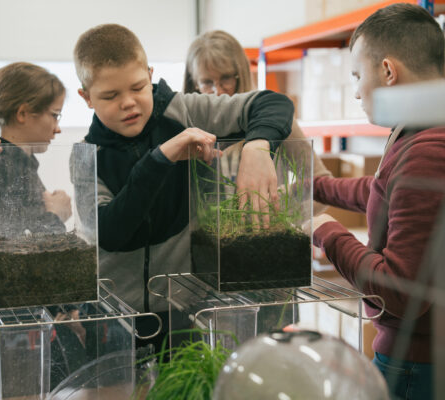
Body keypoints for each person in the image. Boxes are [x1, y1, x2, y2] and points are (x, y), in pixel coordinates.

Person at [73, 23, 294, 348]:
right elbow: (110, 233)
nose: (128, 103)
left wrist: (258, 147)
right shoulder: (85, 155)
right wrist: (160, 158)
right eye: (110, 95)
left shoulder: (185, 110)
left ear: (150, 74)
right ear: (86, 97)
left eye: (137, 87)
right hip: (112, 314)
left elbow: (273, 104)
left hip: (184, 308)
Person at [307, 4, 445, 399]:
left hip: (417, 366)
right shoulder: (423, 133)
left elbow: (399, 292)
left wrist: (326, 232)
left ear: (387, 71)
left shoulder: (428, 149)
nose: (354, 90)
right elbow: (384, 192)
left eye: (357, 75)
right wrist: (315, 186)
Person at [183, 30, 333, 334]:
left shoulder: (274, 121)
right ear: (193, 84)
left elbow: (320, 184)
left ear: (242, 75)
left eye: (227, 79)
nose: (217, 92)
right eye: (206, 82)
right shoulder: (185, 129)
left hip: (269, 275)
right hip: (206, 280)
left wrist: (277, 201)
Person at [0, 62, 70, 287]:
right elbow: (16, 254)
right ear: (23, 113)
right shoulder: (2, 166)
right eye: (55, 115)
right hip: (5, 300)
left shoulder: (5, 162)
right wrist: (56, 215)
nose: (58, 128)